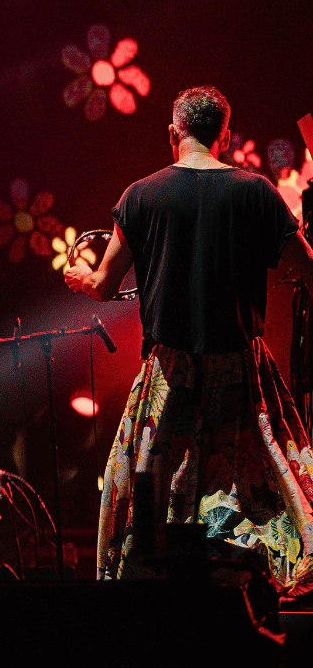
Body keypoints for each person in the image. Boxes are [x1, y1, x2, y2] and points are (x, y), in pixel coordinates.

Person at [66, 86, 313, 597]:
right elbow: (309, 270)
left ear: (173, 132)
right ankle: (248, 589)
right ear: (224, 134)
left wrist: (78, 276)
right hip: (240, 368)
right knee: (259, 487)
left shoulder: (140, 195)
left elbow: (103, 286)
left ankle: (156, 592)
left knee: (155, 490)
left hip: (169, 372)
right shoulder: (258, 192)